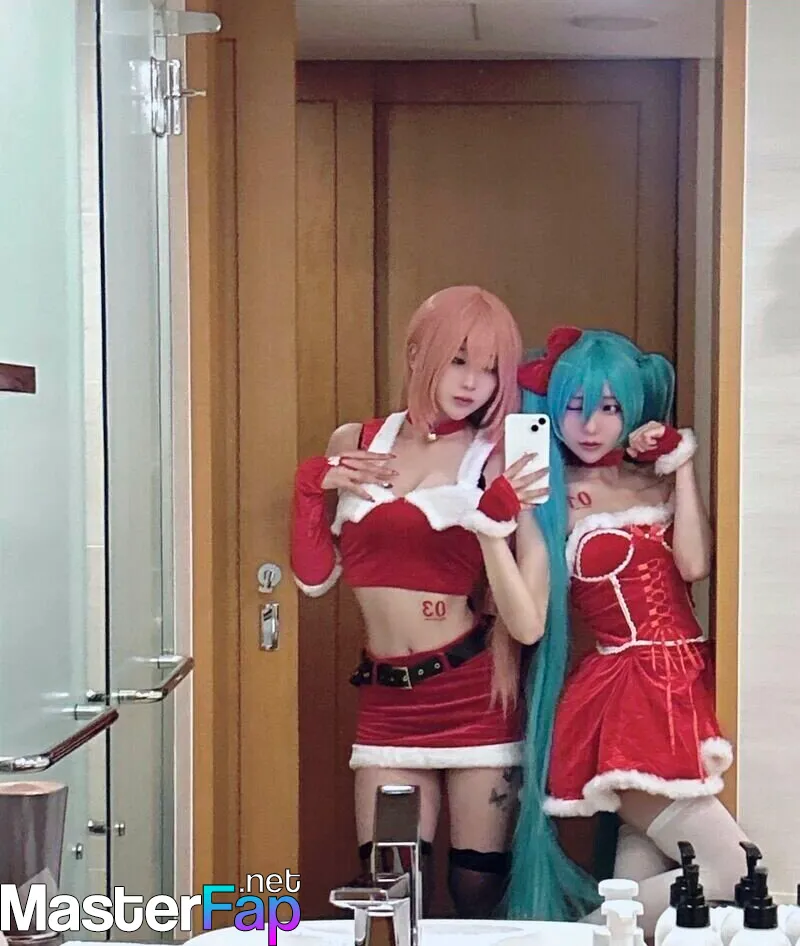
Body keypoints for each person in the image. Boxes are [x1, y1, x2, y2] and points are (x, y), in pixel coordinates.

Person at [289, 286, 549, 918]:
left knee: (476, 890)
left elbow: (528, 624)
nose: (473, 383)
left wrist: (492, 523)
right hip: (387, 704)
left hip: (473, 697)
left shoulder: (497, 458)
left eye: (490, 369)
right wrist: (309, 489)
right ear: (416, 353)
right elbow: (314, 579)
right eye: (458, 360)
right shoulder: (359, 439)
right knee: (391, 890)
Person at [499, 326, 750, 935]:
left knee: (638, 882)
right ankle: (573, 936)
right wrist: (497, 525)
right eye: (575, 406)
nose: (591, 426)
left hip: (689, 683)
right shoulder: (550, 498)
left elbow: (694, 566)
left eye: (609, 408)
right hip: (627, 699)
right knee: (734, 870)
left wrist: (680, 464)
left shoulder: (654, 482)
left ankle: (594, 934)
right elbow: (528, 620)